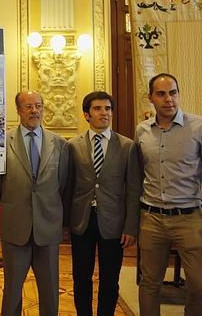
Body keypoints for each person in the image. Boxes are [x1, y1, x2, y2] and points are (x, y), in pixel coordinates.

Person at [136, 73, 202, 316]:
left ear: (179, 94)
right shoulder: (142, 131)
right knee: (149, 284)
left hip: (189, 218)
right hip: (151, 218)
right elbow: (138, 175)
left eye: (173, 93)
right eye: (161, 94)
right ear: (151, 98)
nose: (168, 99)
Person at [0, 91, 69, 316]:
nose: (35, 111)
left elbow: (63, 184)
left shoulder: (60, 144)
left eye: (38, 106)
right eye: (28, 107)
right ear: (18, 111)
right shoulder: (3, 143)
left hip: (48, 228)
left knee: (50, 291)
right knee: (12, 290)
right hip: (15, 228)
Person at [67, 91, 141, 316]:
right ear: (86, 115)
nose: (104, 113)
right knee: (81, 277)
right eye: (98, 109)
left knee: (110, 279)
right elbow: (68, 186)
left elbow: (134, 189)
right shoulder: (72, 146)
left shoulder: (128, 146)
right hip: (81, 222)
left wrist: (130, 227)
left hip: (114, 225)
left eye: (108, 109)